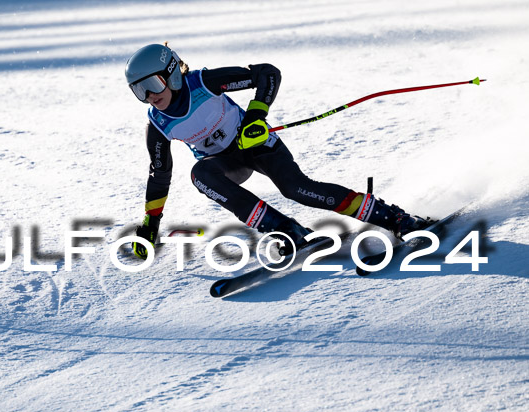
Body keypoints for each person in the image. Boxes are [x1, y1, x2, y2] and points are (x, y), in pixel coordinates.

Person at [125, 43, 432, 259]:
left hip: (256, 143)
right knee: (200, 174)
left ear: (172, 73)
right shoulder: (159, 123)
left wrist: (256, 117)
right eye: (140, 90)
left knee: (296, 189)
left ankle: (394, 218)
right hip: (225, 163)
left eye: (152, 84)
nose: (150, 96)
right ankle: (286, 230)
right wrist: (151, 224)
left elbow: (267, 74)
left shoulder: (204, 83)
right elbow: (159, 175)